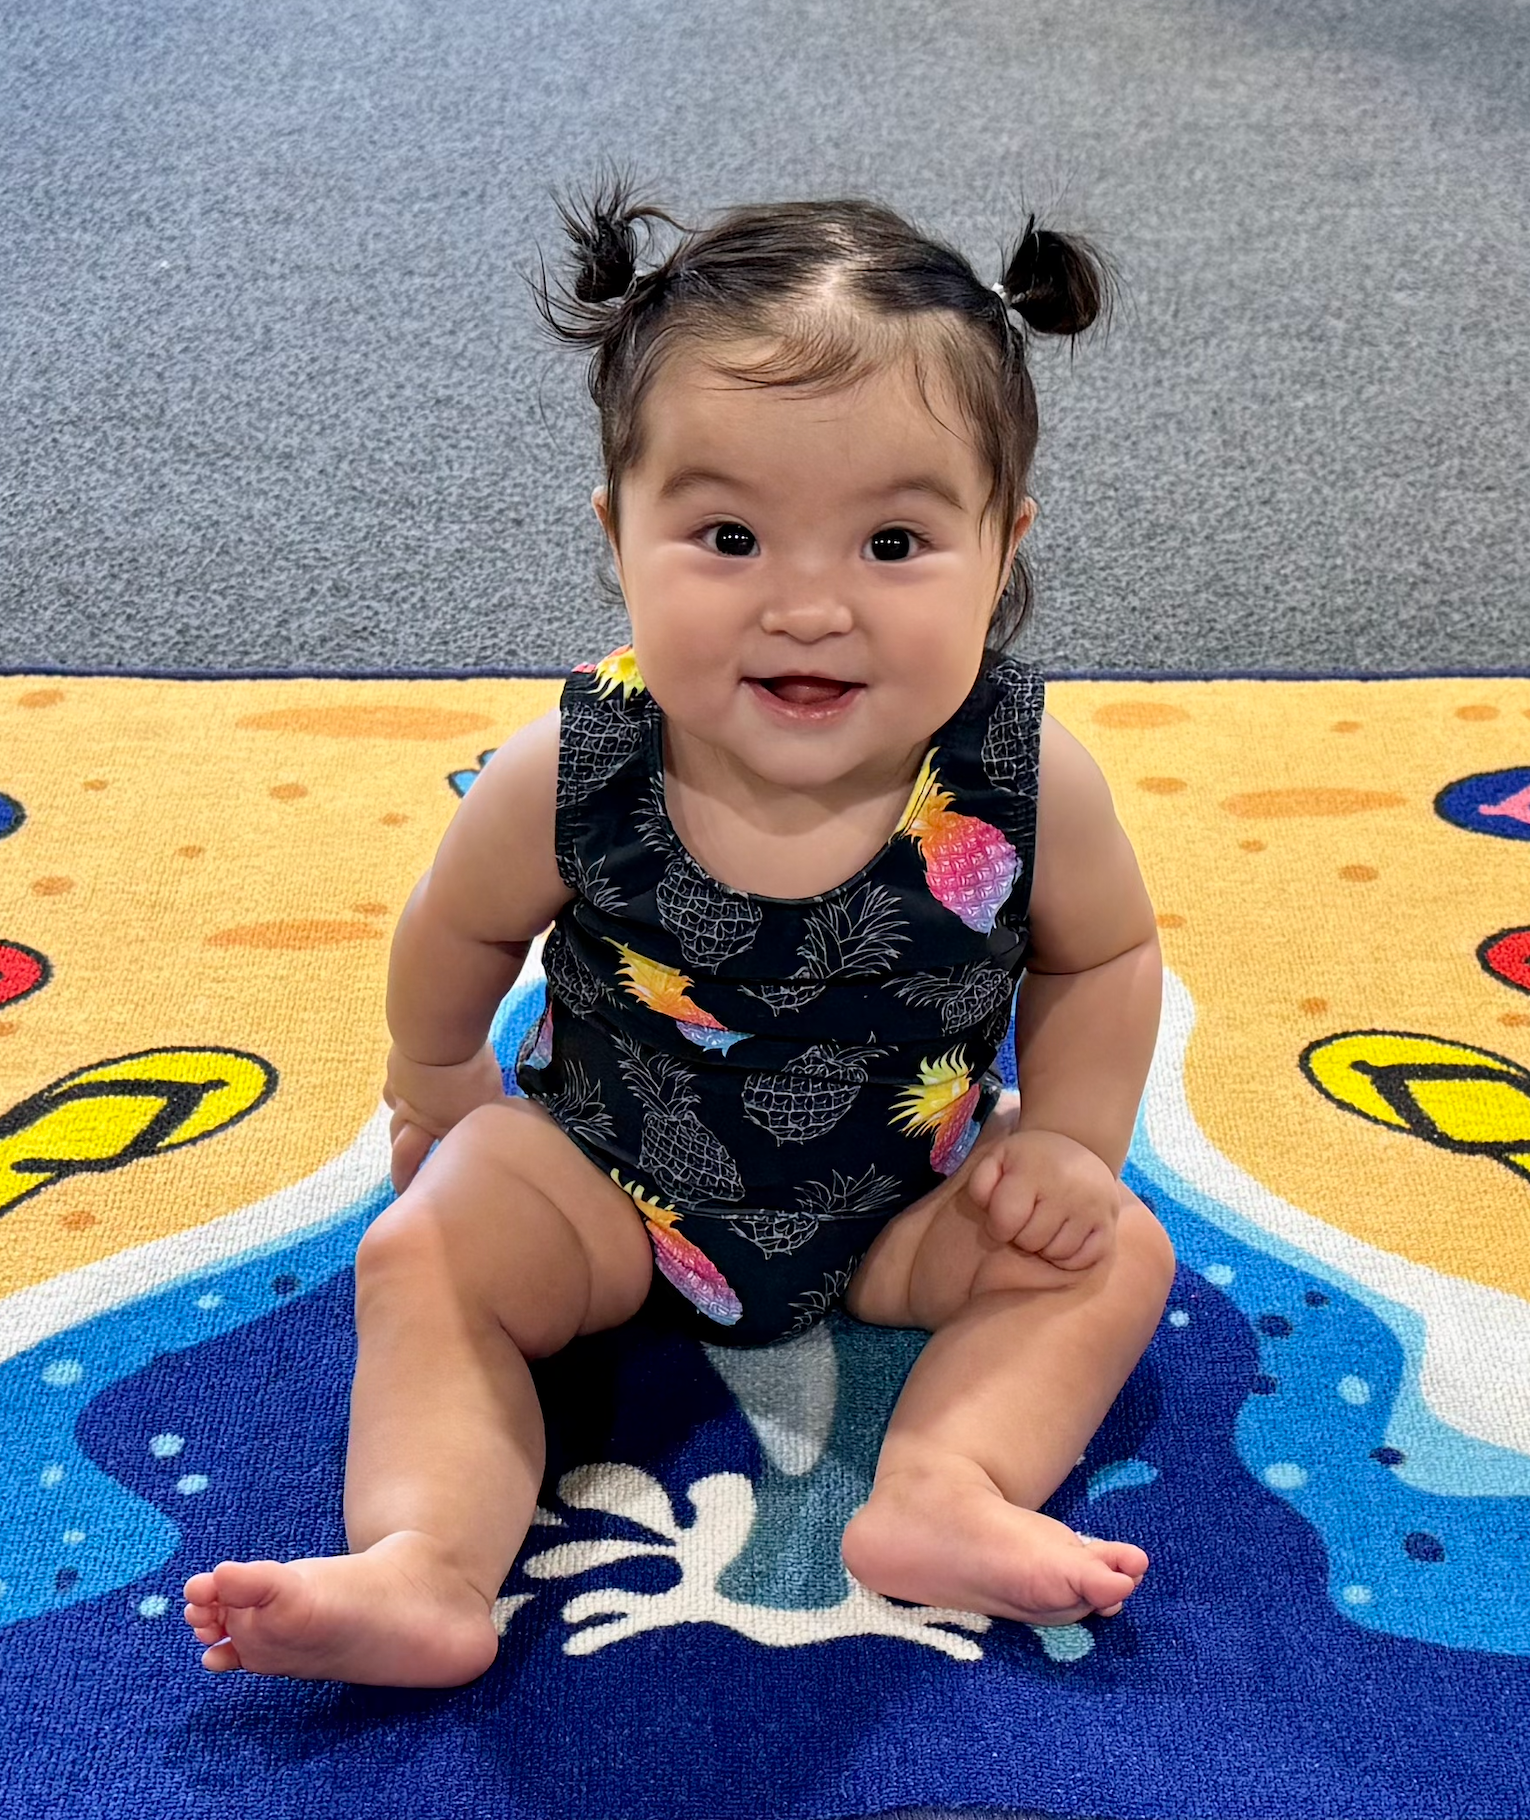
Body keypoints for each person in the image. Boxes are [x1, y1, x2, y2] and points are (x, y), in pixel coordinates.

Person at [181, 167, 1176, 1686]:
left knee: (1110, 1255)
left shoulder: (1023, 779)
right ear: (618, 528)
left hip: (900, 1200)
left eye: (892, 547)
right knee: (426, 1254)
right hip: (603, 1180)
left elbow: (1097, 958)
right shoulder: (570, 773)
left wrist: (1071, 1144)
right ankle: (426, 1566)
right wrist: (435, 1081)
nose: (805, 605)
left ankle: (942, 1489)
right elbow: (456, 931)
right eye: (725, 537)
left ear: (1003, 541)